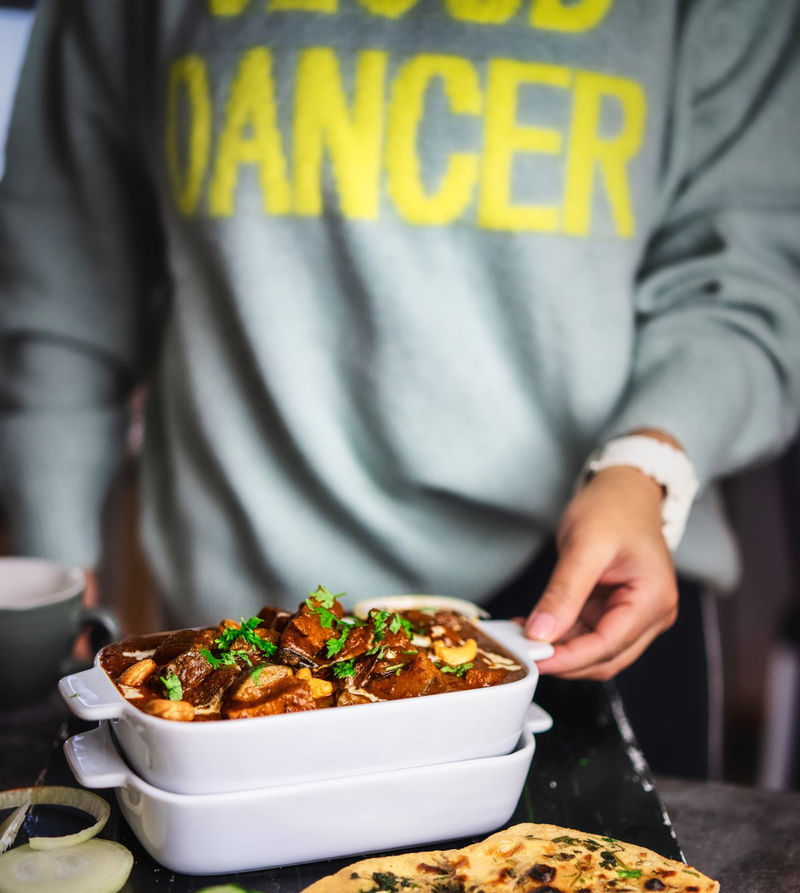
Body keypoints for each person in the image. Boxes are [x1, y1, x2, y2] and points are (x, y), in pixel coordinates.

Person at [1, 0, 799, 775]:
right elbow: (60, 280)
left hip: (589, 587)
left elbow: (752, 272)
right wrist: (54, 577)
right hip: (233, 613)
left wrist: (649, 463)